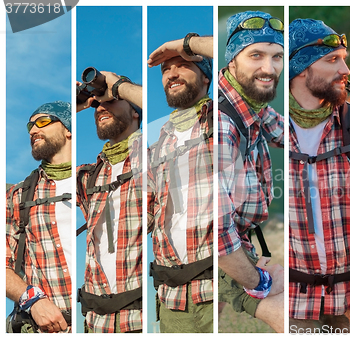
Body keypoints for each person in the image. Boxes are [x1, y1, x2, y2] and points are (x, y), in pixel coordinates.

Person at [217, 10, 285, 333]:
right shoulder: (221, 123)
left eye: (277, 57)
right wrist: (261, 281)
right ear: (232, 61)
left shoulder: (252, 105)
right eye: (255, 55)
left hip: (238, 241)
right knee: (291, 315)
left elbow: (288, 134)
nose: (269, 69)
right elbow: (214, 235)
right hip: (211, 253)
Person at [287, 19, 350, 332]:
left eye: (344, 58)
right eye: (332, 60)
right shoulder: (262, 131)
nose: (346, 69)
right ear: (301, 69)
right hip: (295, 306)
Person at [146, 34, 214, 333]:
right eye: (165, 69)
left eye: (183, 65)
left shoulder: (227, 117)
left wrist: (187, 44)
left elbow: (244, 59)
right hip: (172, 299)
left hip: (221, 286)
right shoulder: (156, 143)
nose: (171, 73)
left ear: (206, 77)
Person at [76, 72, 143, 333]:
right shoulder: (88, 176)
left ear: (136, 112)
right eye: (96, 103)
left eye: (111, 100)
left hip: (142, 315)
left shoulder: (157, 156)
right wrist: (72, 110)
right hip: (98, 320)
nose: (100, 106)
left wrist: (119, 87)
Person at [6, 101, 73, 333]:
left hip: (108, 322)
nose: (33, 130)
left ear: (68, 128)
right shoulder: (17, 196)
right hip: (45, 328)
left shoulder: (96, 178)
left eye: (43, 122)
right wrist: (32, 299)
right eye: (30, 126)